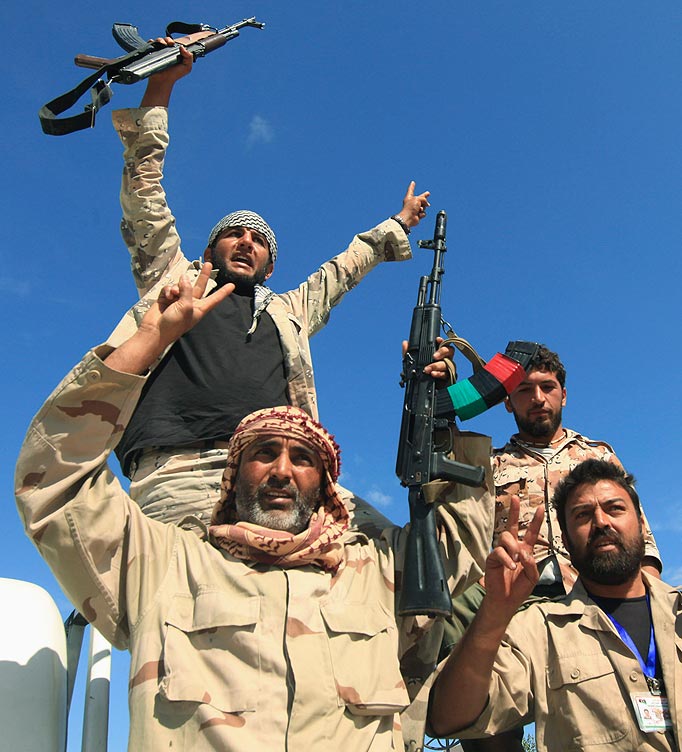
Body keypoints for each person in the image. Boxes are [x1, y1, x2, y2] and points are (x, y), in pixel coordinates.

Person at [15, 268, 494, 751]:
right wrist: (149, 339)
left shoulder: (378, 569)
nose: (282, 471)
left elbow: (461, 539)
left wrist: (439, 415)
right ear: (233, 473)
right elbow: (55, 475)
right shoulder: (163, 565)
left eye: (303, 458)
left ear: (325, 483)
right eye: (264, 453)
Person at [106, 42, 432, 530]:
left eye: (259, 240)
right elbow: (144, 194)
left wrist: (399, 224)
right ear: (211, 247)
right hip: (179, 470)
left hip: (284, 475)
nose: (245, 242)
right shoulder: (173, 283)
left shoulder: (289, 311)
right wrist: (161, 85)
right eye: (233, 234)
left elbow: (343, 268)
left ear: (269, 266)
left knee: (396, 559)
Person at [441, 344, 663, 751]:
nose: (538, 398)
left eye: (548, 387)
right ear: (508, 402)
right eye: (524, 390)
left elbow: (640, 541)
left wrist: (651, 618)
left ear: (564, 394)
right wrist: (436, 386)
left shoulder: (597, 454)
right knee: (480, 717)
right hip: (514, 603)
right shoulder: (486, 465)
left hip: (592, 605)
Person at [428, 459, 680, 751]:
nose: (601, 522)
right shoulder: (542, 633)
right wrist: (495, 610)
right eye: (583, 515)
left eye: (615, 508)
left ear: (641, 521)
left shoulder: (676, 612)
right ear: (565, 541)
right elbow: (448, 718)